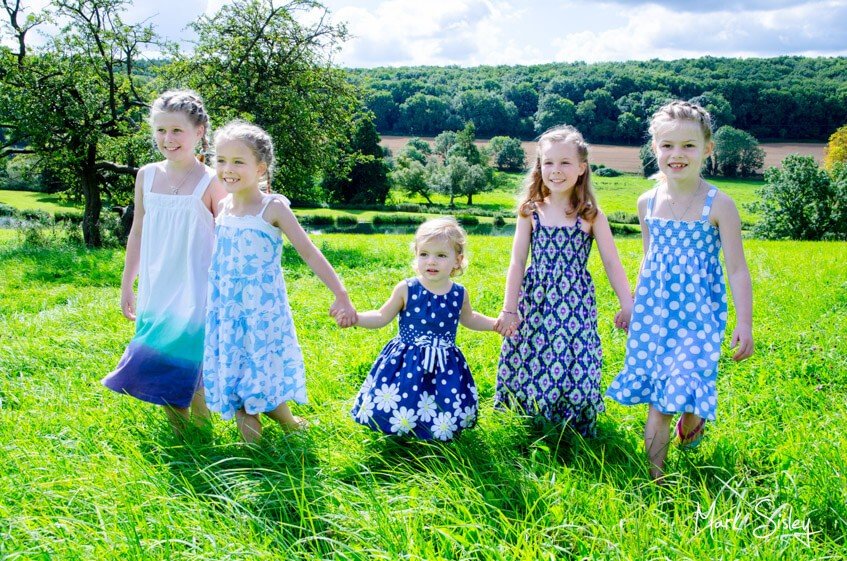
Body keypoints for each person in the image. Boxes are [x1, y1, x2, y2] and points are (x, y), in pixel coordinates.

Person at [605, 101, 754, 482]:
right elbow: (647, 258)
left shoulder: (719, 204)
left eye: (688, 146)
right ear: (654, 148)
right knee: (660, 400)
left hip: (699, 316)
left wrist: (745, 323)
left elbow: (736, 269)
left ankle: (694, 420)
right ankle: (656, 481)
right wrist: (633, 305)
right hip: (655, 315)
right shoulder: (647, 202)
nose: (677, 154)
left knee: (687, 388)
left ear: (707, 149)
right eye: (668, 145)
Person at [203, 120, 355, 443]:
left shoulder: (272, 208)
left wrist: (340, 293)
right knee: (246, 387)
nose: (228, 169)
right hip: (229, 315)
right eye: (221, 160)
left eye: (238, 161)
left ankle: (258, 464)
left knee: (254, 389)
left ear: (260, 168)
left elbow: (310, 253)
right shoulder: (224, 207)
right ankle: (290, 428)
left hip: (261, 314)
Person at [493, 125, 632, 438]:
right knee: (529, 352)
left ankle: (571, 425)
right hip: (535, 297)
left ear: (581, 169)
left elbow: (612, 262)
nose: (556, 171)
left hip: (574, 301)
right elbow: (517, 262)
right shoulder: (530, 212)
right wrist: (509, 308)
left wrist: (628, 304)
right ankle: (529, 421)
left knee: (575, 357)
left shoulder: (590, 214)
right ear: (539, 167)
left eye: (565, 163)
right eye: (548, 163)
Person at [103, 90, 226, 434]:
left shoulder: (212, 181)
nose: (167, 139)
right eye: (160, 130)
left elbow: (230, 238)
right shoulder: (147, 175)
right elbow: (138, 232)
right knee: (163, 362)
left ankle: (199, 435)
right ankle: (183, 435)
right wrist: (128, 283)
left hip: (196, 287)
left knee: (190, 364)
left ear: (199, 131)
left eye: (176, 131)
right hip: (157, 287)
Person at [348, 217, 497, 441]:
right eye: (424, 254)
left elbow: (470, 319)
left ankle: (436, 435)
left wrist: (496, 325)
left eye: (441, 255)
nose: (432, 261)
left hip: (445, 362)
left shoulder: (459, 293)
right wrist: (356, 318)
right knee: (405, 396)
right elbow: (381, 316)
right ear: (416, 256)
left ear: (458, 260)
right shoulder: (407, 289)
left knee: (440, 399)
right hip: (407, 359)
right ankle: (400, 435)